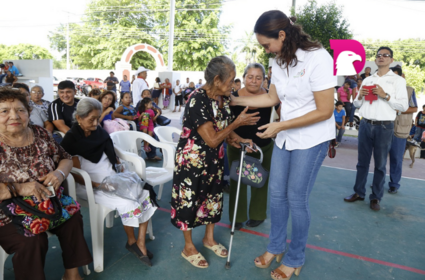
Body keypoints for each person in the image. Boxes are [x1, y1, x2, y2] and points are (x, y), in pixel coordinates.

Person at [231, 11, 337, 279]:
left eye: (267, 44)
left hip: (311, 139)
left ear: (282, 35)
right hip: (286, 137)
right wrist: (232, 101)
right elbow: (269, 99)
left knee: (296, 199)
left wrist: (280, 126)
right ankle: (275, 247)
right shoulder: (277, 61)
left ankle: (295, 257)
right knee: (277, 196)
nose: (265, 49)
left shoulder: (318, 58)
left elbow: (325, 111)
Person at [172, 56, 260, 269]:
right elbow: (211, 139)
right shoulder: (197, 99)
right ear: (218, 79)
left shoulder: (222, 99)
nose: (233, 85)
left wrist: (241, 140)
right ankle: (188, 247)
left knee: (212, 199)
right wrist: (237, 123)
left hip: (214, 161)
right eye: (231, 80)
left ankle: (209, 239)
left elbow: (225, 132)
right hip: (192, 162)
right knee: (189, 203)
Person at [0, 87, 92, 280]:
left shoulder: (39, 133)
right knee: (32, 240)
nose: (14, 116)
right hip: (6, 211)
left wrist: (59, 173)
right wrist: (20, 188)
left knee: (73, 218)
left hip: (47, 202)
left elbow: (65, 158)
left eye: (20, 110)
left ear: (28, 112)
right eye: (4, 111)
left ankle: (72, 275)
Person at [60, 98, 157, 267]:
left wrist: (120, 170)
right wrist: (99, 185)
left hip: (112, 179)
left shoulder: (100, 132)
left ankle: (139, 242)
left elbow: (112, 156)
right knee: (129, 201)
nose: (96, 123)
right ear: (79, 117)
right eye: (91, 119)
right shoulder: (71, 139)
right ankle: (131, 240)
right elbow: (76, 175)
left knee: (145, 192)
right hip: (90, 186)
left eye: (98, 118)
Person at [344, 46, 408, 211]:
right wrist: (360, 96)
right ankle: (359, 193)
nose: (382, 57)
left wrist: (385, 95)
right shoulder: (367, 79)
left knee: (380, 164)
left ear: (391, 60)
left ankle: (376, 198)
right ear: (375, 59)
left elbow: (403, 105)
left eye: (386, 55)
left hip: (384, 126)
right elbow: (357, 104)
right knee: (362, 163)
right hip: (365, 124)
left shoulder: (398, 80)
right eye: (379, 55)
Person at [228, 63, 274, 230]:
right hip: (237, 147)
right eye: (250, 77)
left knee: (259, 182)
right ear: (244, 77)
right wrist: (239, 140)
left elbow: (279, 118)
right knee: (237, 182)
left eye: (258, 77)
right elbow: (225, 124)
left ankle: (257, 214)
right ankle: (237, 217)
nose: (254, 81)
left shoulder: (271, 98)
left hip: (264, 148)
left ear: (264, 80)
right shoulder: (232, 97)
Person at [387, 67, 417, 194]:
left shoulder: (409, 90)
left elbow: (414, 108)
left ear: (402, 76)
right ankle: (377, 181)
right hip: (384, 127)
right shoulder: (386, 89)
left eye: (396, 76)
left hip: (400, 129)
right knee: (380, 157)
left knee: (396, 158)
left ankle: (394, 184)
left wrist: (397, 110)